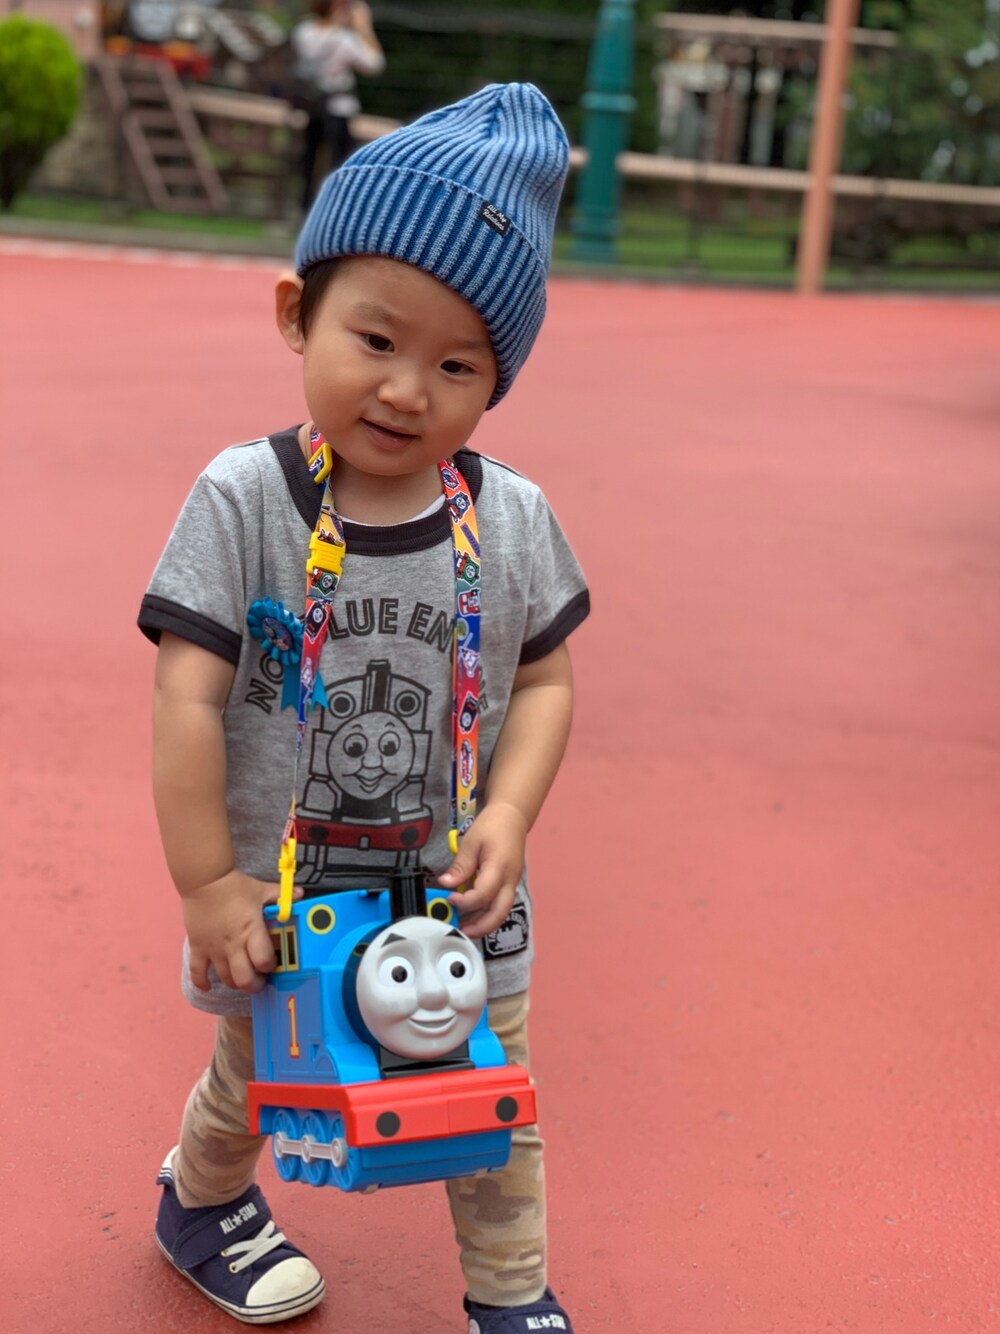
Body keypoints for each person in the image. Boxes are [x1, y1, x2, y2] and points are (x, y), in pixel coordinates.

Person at [139, 83, 588, 1333]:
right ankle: (201, 1200)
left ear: (498, 380)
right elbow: (186, 693)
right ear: (298, 312)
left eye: (456, 365)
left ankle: (511, 1294)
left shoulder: (511, 518)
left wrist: (510, 811)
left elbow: (546, 676)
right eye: (376, 339)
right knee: (255, 1077)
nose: (405, 389)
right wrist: (207, 882)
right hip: (283, 898)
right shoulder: (244, 499)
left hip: (454, 898)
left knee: (494, 1099)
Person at [290, 0, 385, 210]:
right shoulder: (344, 39)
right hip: (339, 107)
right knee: (339, 160)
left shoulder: (303, 31)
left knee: (310, 158)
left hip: (312, 104)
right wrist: (364, 27)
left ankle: (304, 208)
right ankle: (334, 208)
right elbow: (375, 64)